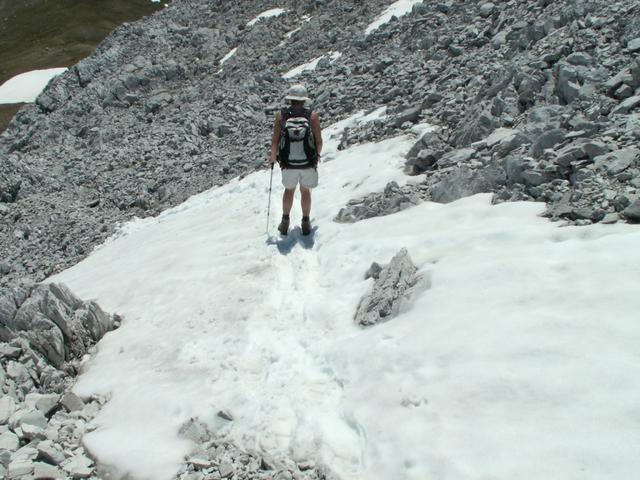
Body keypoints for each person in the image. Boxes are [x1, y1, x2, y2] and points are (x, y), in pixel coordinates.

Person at [268, 84, 323, 236]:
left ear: (290, 99)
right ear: (304, 100)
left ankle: (285, 221)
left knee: (289, 190)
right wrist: (315, 157)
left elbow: (275, 141)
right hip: (307, 162)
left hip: (288, 162)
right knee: (305, 191)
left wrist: (273, 157)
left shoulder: (281, 115)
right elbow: (319, 141)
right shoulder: (312, 116)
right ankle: (305, 221)